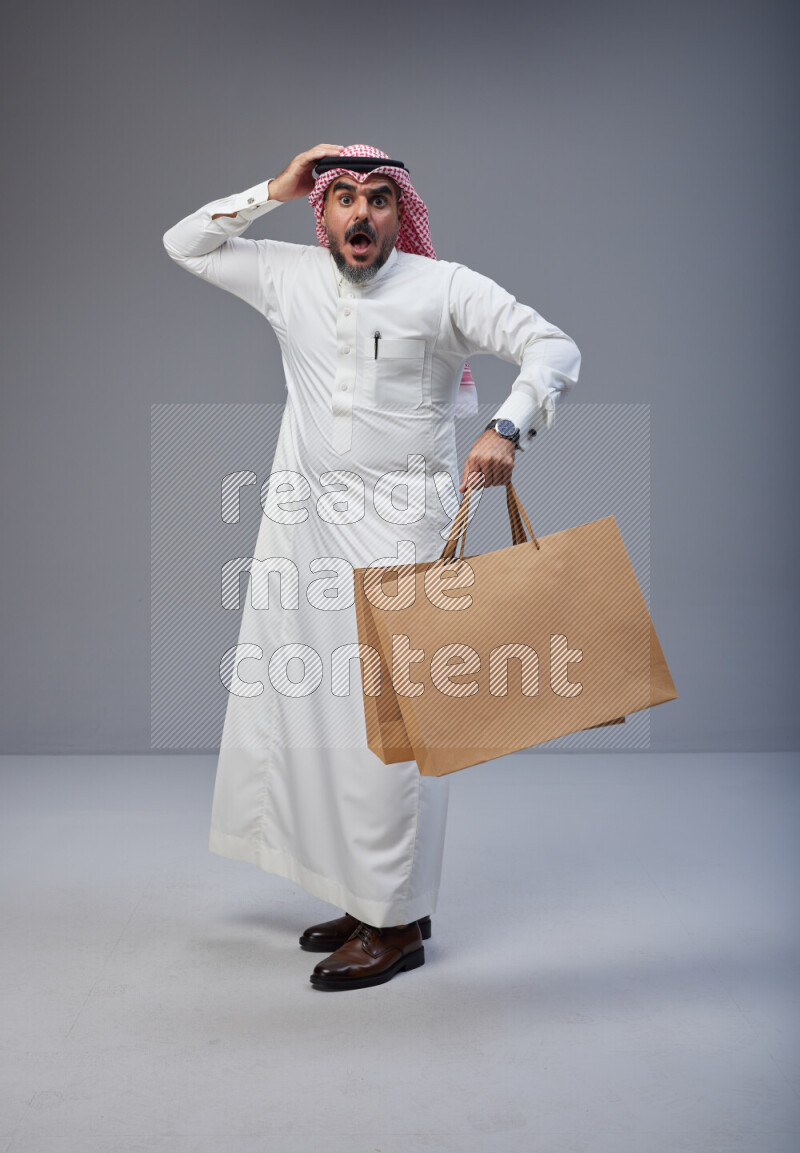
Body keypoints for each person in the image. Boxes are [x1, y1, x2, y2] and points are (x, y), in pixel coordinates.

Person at [162, 142, 581, 991]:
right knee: (327, 720)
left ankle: (395, 926)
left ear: (400, 214)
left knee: (396, 728)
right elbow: (186, 243)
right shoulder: (287, 275)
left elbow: (553, 346)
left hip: (403, 533)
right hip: (307, 532)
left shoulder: (443, 287)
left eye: (380, 198)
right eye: (344, 196)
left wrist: (509, 426)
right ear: (322, 213)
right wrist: (276, 187)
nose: (362, 212)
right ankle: (377, 900)